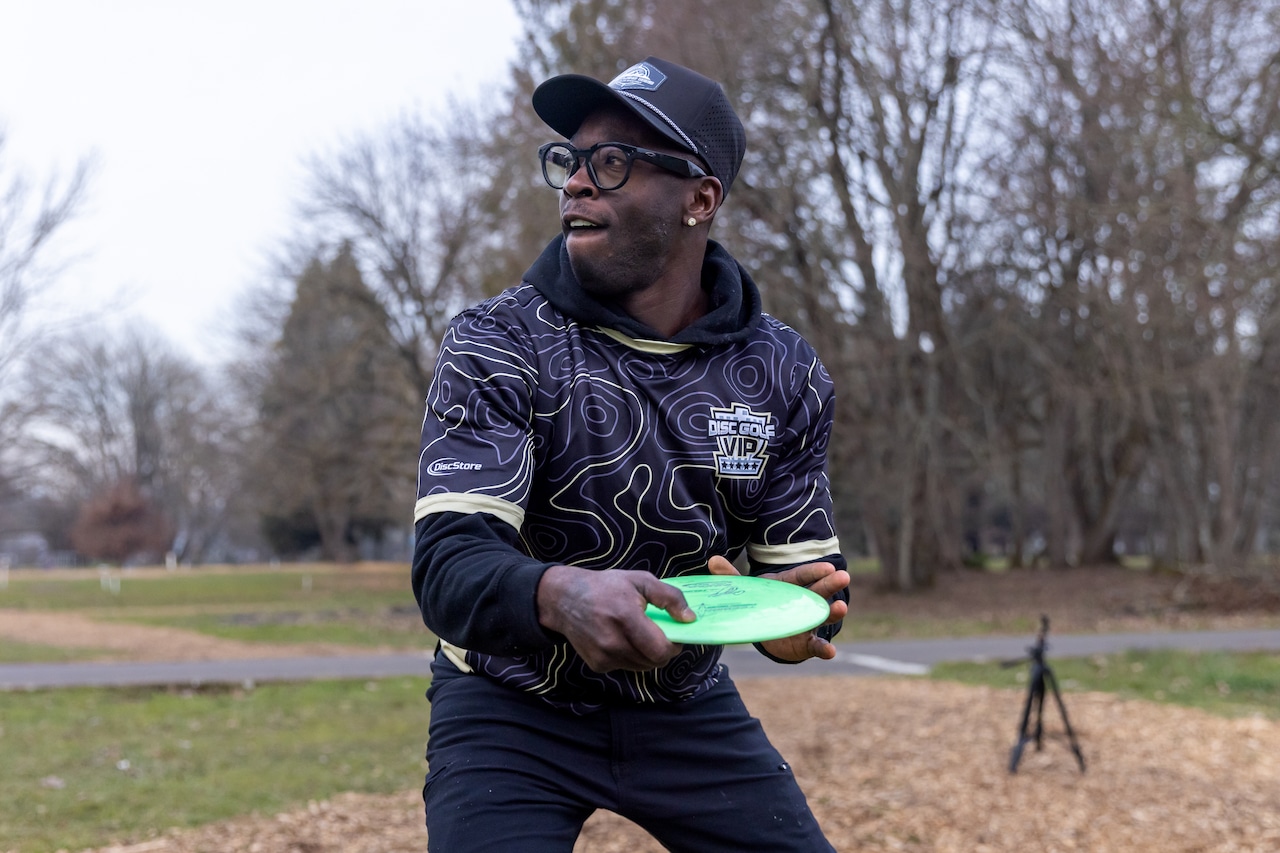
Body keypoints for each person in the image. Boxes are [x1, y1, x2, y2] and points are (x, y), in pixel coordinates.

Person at [411, 55, 850, 852]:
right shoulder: (498, 342)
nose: (576, 183)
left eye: (611, 162)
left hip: (683, 707)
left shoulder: (784, 372)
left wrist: (786, 621)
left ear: (699, 198)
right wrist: (559, 593)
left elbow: (795, 582)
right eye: (569, 161)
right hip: (510, 707)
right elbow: (448, 565)